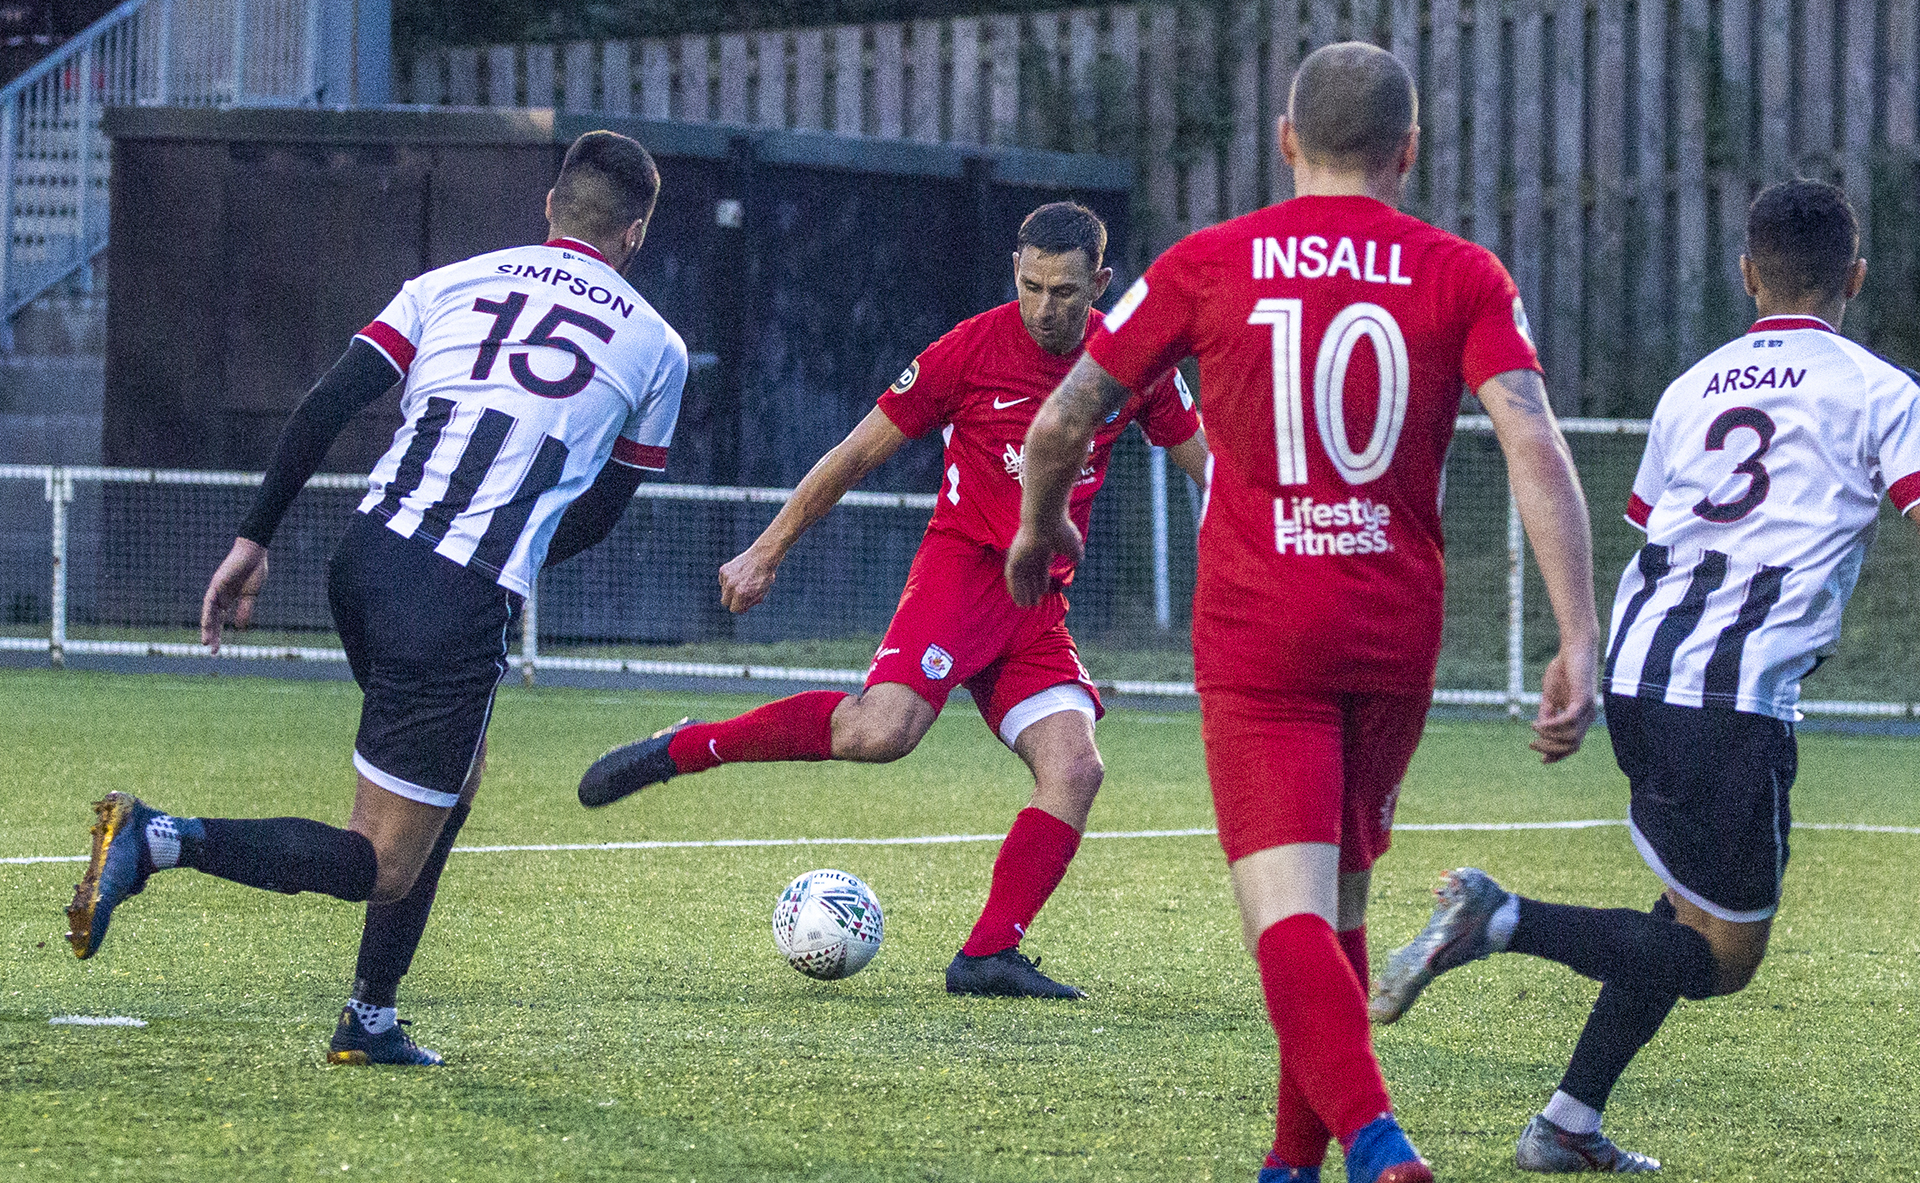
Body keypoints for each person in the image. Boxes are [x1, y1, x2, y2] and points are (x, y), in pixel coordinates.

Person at [1009, 42, 1600, 1183]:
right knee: (1341, 907)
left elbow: (1058, 426)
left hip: (1261, 628)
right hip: (1392, 629)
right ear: (1409, 151)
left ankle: (1381, 1148)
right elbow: (1534, 441)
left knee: (1285, 910)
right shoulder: (1464, 272)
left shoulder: (1206, 263)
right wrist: (1579, 631)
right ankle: (1292, 1163)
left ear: (1285, 140)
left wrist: (1042, 526)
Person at [64, 130, 687, 1066]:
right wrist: (509, 551)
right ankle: (155, 839)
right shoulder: (658, 346)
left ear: (550, 208)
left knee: (458, 774)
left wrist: (252, 539)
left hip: (362, 559)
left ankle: (371, 1016)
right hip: (455, 594)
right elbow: (605, 505)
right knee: (382, 859)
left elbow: (323, 404)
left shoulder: (449, 282)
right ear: (634, 234)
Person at [1369, 179, 1920, 1172]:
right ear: (1858, 278)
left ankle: (1566, 1124)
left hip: (1641, 673)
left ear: (1748, 274)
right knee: (1720, 956)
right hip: (1731, 698)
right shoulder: (1880, 391)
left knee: (1681, 911)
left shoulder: (1691, 388)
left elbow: (1647, 526)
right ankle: (1500, 919)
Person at [577, 201, 1208, 999]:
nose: (1046, 308)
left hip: (1035, 601)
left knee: (1076, 768)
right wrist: (765, 549)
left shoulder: (1135, 360)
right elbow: (855, 453)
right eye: (1032, 286)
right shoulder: (969, 350)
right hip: (962, 572)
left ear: (1102, 284)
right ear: (1015, 272)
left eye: (1066, 292)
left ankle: (985, 956)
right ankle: (689, 745)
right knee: (879, 733)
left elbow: (1211, 468)